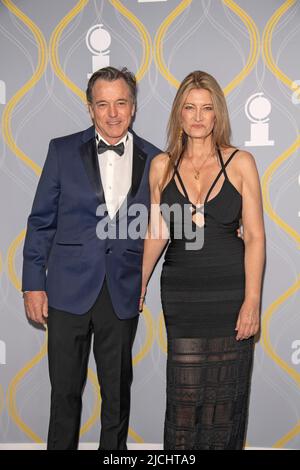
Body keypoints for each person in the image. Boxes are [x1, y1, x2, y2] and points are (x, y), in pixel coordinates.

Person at [22, 66, 160, 450]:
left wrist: (227, 227)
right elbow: (40, 222)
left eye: (121, 103)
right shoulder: (62, 150)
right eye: (103, 104)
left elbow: (170, 220)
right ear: (90, 109)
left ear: (133, 107)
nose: (113, 113)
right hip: (66, 291)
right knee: (64, 393)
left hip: (122, 291)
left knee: (117, 395)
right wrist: (33, 283)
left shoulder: (156, 159)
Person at [140, 71, 265, 450]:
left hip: (230, 291)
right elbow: (157, 231)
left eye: (206, 108)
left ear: (217, 115)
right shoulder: (161, 166)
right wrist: (140, 283)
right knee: (185, 398)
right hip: (182, 293)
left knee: (225, 400)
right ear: (179, 113)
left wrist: (253, 301)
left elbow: (256, 236)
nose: (198, 116)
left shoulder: (241, 162)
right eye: (190, 107)